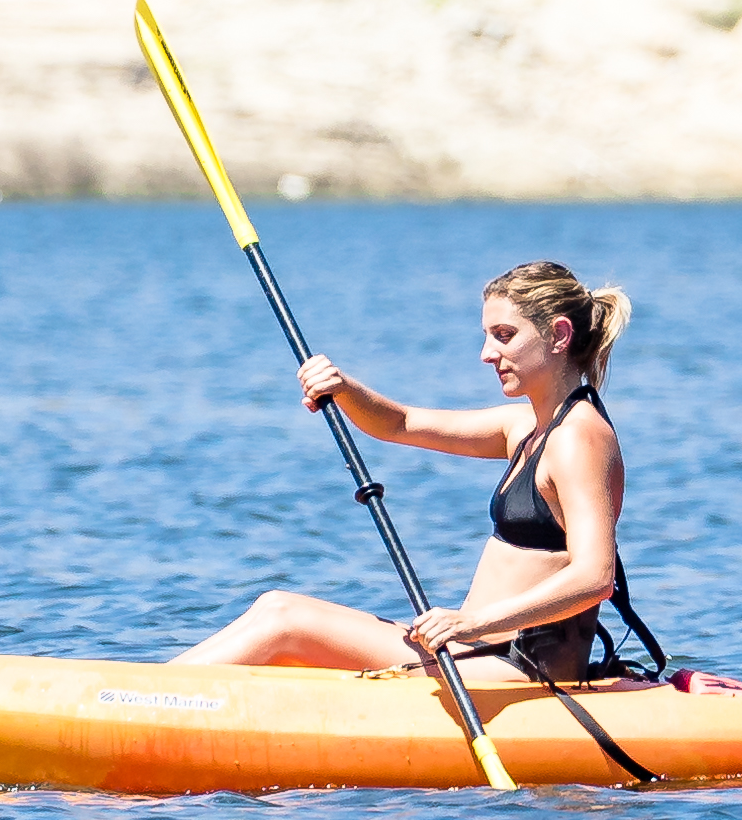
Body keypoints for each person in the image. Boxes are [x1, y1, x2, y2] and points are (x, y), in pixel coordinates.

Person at [175, 258, 661, 686]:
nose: (487, 354)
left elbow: (594, 576)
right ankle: (142, 693)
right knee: (274, 613)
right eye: (488, 335)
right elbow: (401, 422)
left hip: (516, 667)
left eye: (504, 336)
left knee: (284, 618)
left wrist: (471, 625)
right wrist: (342, 388)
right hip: (475, 649)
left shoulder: (579, 437)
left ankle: (130, 699)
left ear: (558, 335)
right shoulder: (525, 426)